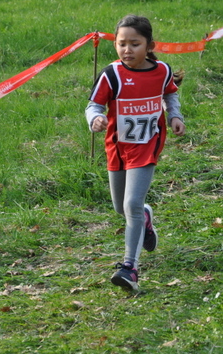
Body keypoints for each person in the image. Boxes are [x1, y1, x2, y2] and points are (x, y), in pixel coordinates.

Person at [85, 15, 185, 291]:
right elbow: (93, 106)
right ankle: (146, 217)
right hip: (117, 147)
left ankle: (130, 268)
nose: (127, 50)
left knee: (131, 205)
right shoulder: (112, 74)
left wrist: (175, 116)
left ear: (149, 45)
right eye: (121, 44)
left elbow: (170, 93)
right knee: (122, 207)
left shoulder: (162, 71)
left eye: (134, 44)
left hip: (147, 145)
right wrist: (95, 119)